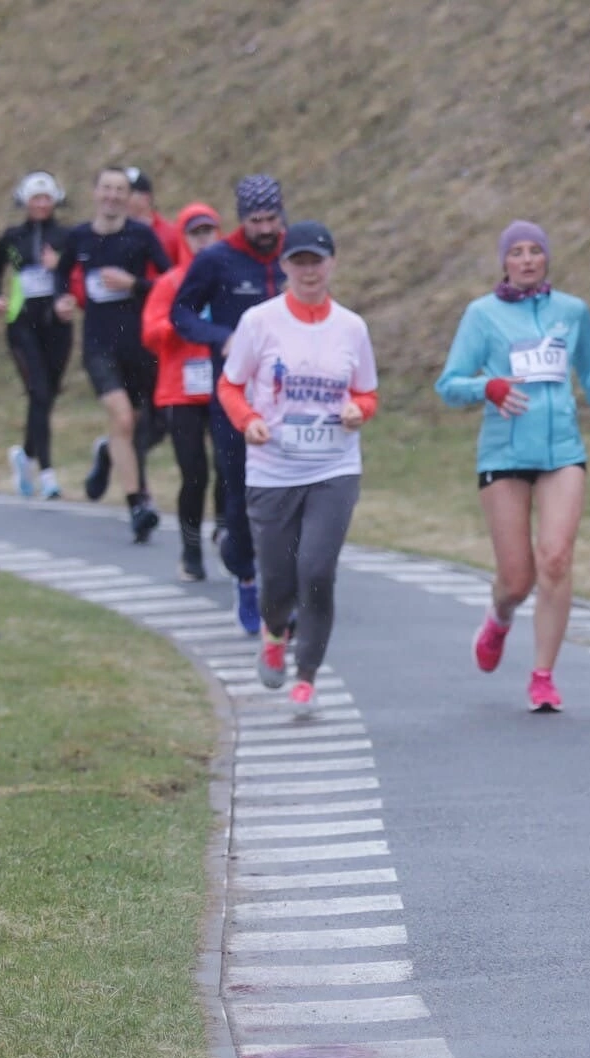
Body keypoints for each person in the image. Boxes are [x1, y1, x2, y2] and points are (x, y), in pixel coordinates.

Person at [436, 220, 590, 712]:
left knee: (555, 559)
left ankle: (543, 676)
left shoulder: (571, 311)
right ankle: (499, 616)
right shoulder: (482, 315)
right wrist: (488, 387)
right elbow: (449, 384)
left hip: (563, 452)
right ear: (504, 262)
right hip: (505, 453)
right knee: (517, 580)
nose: (526, 260)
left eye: (534, 250)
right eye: (516, 252)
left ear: (546, 258)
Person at [217, 221, 378, 717]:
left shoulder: (351, 327)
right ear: (284, 266)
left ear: (332, 264)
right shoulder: (259, 322)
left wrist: (358, 410)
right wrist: (248, 420)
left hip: (333, 467)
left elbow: (367, 392)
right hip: (273, 468)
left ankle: (306, 675)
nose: (309, 271)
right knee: (278, 580)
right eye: (299, 262)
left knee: (317, 569)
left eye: (317, 261)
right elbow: (229, 385)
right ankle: (273, 632)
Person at [173, 174, 287, 633]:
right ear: (242, 220)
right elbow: (181, 313)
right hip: (234, 395)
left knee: (290, 493)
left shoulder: (295, 255)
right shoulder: (217, 260)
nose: (265, 229)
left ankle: (283, 588)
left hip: (290, 396)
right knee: (240, 490)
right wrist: (221, 336)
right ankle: (245, 576)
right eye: (256, 221)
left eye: (271, 219)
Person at [53, 166, 170, 540]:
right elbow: (60, 275)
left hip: (139, 345)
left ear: (128, 197)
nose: (113, 196)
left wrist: (134, 284)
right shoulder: (79, 237)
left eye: (120, 190)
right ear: (95, 193)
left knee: (146, 425)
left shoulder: (141, 235)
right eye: (107, 188)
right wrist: (61, 299)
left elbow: (170, 281)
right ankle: (137, 504)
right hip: (99, 346)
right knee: (122, 418)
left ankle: (108, 455)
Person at [142, 203, 224, 580]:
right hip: (180, 390)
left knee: (229, 466)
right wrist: (179, 324)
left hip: (224, 387)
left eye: (208, 231)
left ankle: (225, 529)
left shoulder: (227, 278)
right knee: (194, 475)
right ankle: (190, 551)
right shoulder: (171, 283)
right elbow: (149, 333)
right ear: (183, 238)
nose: (203, 239)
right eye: (195, 233)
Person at [0, 170, 73, 499]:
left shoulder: (66, 236)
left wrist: (59, 265)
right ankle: (47, 474)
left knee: (47, 395)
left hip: (57, 325)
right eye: (36, 198)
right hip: (21, 325)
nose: (41, 204)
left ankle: (25, 456)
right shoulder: (13, 238)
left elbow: (78, 271)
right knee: (38, 392)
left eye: (46, 198)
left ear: (55, 200)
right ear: (24, 201)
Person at [126, 168, 187, 268]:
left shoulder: (172, 234)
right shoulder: (114, 234)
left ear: (146, 197)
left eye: (128, 193)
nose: (120, 198)